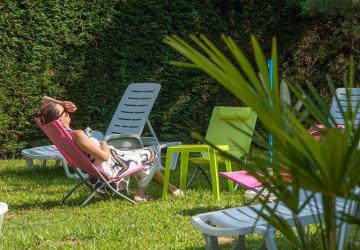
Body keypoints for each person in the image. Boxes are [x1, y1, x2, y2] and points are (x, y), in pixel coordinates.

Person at [39, 96, 183, 202]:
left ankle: (171, 188)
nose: (68, 113)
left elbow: (44, 100)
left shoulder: (64, 136)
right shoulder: (77, 135)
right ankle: (140, 194)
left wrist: (60, 104)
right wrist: (104, 143)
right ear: (60, 119)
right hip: (113, 166)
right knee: (152, 152)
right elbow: (105, 156)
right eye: (65, 112)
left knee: (143, 161)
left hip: (103, 166)